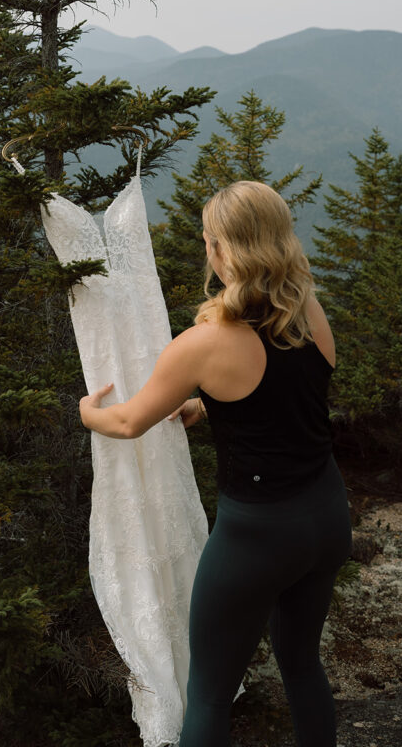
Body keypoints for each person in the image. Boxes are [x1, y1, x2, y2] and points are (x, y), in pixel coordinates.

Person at [79, 180, 353, 747]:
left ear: (221, 250)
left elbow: (128, 422)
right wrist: (211, 403)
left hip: (257, 536)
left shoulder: (204, 343)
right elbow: (291, 389)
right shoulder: (308, 310)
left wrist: (88, 414)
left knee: (207, 692)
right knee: (302, 665)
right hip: (326, 516)